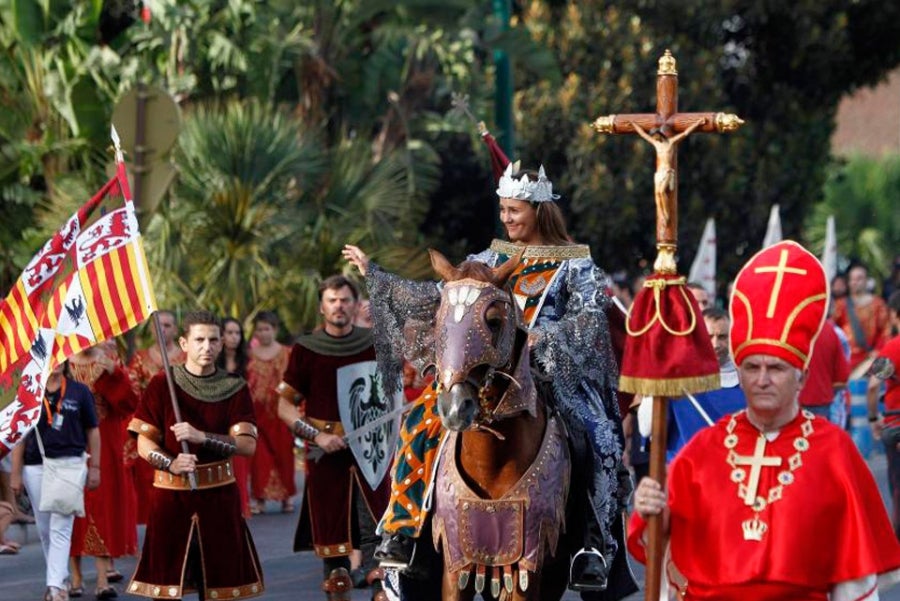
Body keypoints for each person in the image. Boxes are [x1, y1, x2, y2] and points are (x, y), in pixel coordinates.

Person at [343, 163, 630, 593]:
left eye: (515, 210)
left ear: (539, 209)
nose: (507, 218)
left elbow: (591, 319)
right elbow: (441, 296)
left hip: (552, 372)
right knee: (420, 422)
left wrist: (540, 337)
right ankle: (401, 529)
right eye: (503, 210)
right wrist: (378, 277)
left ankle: (593, 544)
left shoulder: (576, 263)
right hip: (485, 375)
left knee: (598, 436)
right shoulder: (485, 259)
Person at [629, 241, 900, 599]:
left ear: (801, 377)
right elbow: (666, 547)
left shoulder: (835, 452)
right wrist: (654, 511)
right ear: (738, 375)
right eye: (752, 367)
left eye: (776, 368)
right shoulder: (702, 450)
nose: (762, 379)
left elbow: (855, 582)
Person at [126, 311, 264, 600]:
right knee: (165, 591)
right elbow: (144, 443)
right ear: (184, 343)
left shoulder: (234, 387)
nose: (207, 346)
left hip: (219, 498)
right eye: (199, 339)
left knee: (219, 589)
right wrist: (171, 462)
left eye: (213, 340)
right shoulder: (162, 384)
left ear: (222, 343)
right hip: (170, 499)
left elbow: (247, 445)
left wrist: (203, 437)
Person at [275, 275, 389, 599]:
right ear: (322, 308)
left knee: (378, 543)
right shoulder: (306, 349)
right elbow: (285, 406)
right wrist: (317, 437)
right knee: (335, 560)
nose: (339, 306)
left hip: (371, 456)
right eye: (332, 300)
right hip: (326, 458)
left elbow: (391, 394)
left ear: (355, 305)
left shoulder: (374, 343)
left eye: (345, 300)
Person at [10, 361, 101, 601]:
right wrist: (16, 473)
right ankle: (59, 577)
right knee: (45, 528)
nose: (58, 360)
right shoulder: (30, 391)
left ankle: (56, 586)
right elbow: (20, 434)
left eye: (62, 355)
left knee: (61, 526)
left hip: (69, 464)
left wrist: (96, 468)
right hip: (35, 465)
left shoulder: (79, 391)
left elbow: (93, 429)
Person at [66, 345, 138, 599]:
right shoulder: (61, 359)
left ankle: (101, 579)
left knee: (103, 506)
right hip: (69, 443)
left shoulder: (109, 360)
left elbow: (129, 404)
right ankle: (74, 577)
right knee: (70, 507)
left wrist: (115, 374)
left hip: (105, 444)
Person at [637, 307, 746, 462]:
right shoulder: (676, 378)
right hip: (685, 471)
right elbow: (647, 428)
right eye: (709, 336)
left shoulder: (747, 381)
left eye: (722, 337)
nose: (716, 344)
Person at [126, 309, 186, 526]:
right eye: (158, 325)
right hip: (151, 429)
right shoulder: (140, 358)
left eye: (168, 325)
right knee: (149, 484)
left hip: (181, 428)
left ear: (176, 329)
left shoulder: (186, 358)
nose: (162, 329)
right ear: (151, 328)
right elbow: (131, 393)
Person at [246, 311, 295, 515]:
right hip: (256, 414)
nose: (263, 333)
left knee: (284, 454)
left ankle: (286, 498)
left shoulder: (287, 353)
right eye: (259, 329)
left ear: (275, 330)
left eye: (267, 329)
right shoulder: (248, 356)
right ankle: (260, 498)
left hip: (281, 413)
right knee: (259, 457)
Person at [630, 119, 706, 241]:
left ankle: (667, 216)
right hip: (659, 173)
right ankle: (662, 214)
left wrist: (697, 123)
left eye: (655, 136)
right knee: (657, 195)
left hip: (667, 172)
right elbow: (643, 135)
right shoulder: (656, 144)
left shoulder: (671, 143)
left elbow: (686, 133)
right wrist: (634, 124)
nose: (654, 139)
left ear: (659, 134)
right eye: (653, 137)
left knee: (662, 192)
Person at [868, 290, 900, 539]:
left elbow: (872, 386)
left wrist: (872, 419)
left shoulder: (891, 349)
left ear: (893, 315)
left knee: (897, 485)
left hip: (895, 423)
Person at [218, 316, 252, 518]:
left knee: (239, 462)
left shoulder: (248, 362)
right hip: (218, 417)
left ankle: (240, 505)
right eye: (229, 333)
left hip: (240, 418)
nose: (233, 337)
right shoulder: (213, 361)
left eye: (237, 333)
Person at [833, 263, 891, 372]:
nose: (855, 282)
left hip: (869, 361)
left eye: (859, 278)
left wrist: (878, 351)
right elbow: (833, 330)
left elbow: (885, 331)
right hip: (846, 360)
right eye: (852, 279)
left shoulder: (878, 304)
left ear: (866, 280)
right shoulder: (840, 305)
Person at [798, 315, 850, 424]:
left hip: (788, 406)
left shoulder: (785, 329)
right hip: (821, 407)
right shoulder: (829, 330)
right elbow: (842, 379)